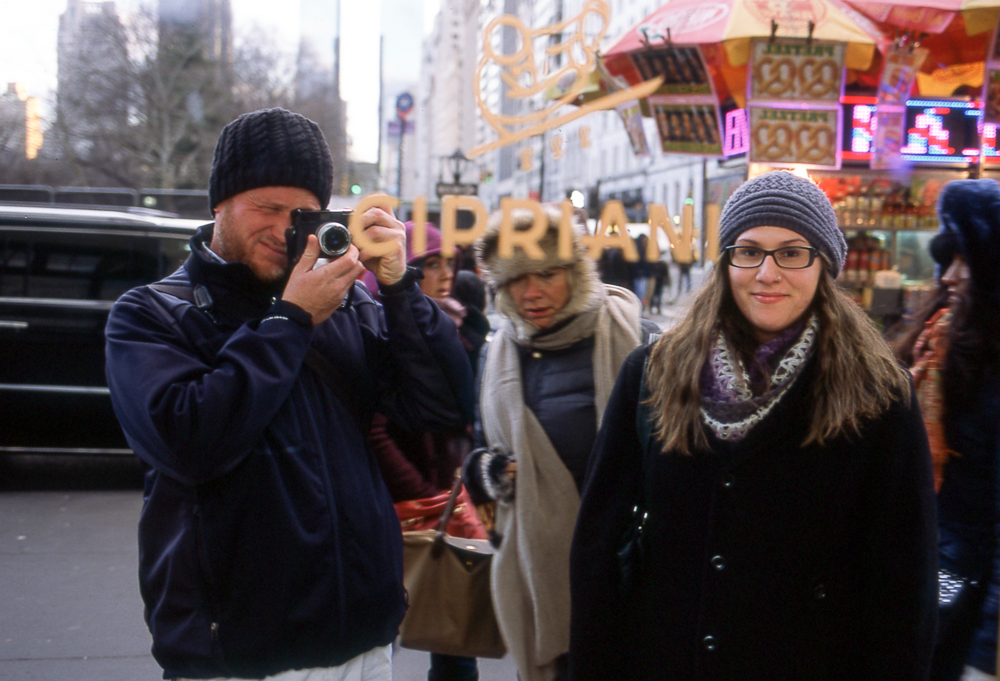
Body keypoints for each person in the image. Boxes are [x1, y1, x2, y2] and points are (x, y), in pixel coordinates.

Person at [104, 108, 473, 681]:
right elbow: (188, 442)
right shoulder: (153, 313)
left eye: (299, 212)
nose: (282, 229)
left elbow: (443, 407)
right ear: (219, 204)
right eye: (265, 208)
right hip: (239, 654)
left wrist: (400, 288)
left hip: (365, 639)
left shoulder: (349, 302)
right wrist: (292, 319)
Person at [569, 171, 938, 681]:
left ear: (824, 265)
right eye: (748, 251)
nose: (767, 273)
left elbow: (903, 579)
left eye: (791, 252)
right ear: (726, 262)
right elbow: (598, 543)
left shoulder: (878, 395)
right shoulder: (653, 372)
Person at [461, 204, 658, 681]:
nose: (531, 293)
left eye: (547, 274)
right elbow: (482, 447)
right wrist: (488, 471)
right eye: (514, 280)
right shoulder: (499, 352)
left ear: (574, 272)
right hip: (538, 566)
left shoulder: (637, 337)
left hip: (625, 566)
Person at [363, 223, 487, 681]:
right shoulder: (380, 324)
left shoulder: (462, 323)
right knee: (383, 629)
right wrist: (420, 496)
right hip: (406, 506)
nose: (445, 273)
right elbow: (376, 431)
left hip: (451, 493)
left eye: (448, 262)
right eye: (431, 263)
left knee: (453, 630)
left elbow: (467, 411)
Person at [892, 179, 1000, 681]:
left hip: (959, 582)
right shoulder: (935, 343)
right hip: (919, 564)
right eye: (947, 259)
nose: (951, 276)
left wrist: (983, 655)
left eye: (967, 261)